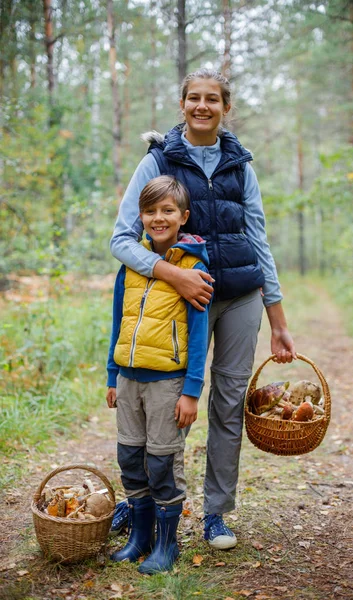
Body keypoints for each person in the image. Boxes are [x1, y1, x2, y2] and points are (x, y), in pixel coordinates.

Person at [110, 68, 296, 551]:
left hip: (239, 297)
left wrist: (277, 320)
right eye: (194, 97)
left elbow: (259, 240)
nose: (202, 106)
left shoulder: (241, 166)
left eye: (212, 99)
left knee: (229, 403)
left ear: (225, 107)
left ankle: (216, 513)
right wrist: (174, 274)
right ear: (182, 104)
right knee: (169, 402)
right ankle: (145, 502)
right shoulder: (159, 161)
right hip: (178, 300)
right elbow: (121, 240)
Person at [106, 175, 210, 573]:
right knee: (130, 457)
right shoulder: (131, 263)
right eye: (150, 211)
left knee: (163, 462)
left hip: (168, 382)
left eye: (167, 211)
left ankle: (167, 546)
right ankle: (140, 537)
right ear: (141, 216)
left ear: (183, 216)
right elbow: (119, 321)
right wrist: (113, 375)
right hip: (130, 380)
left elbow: (199, 335)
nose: (158, 218)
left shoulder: (193, 267)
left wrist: (192, 390)